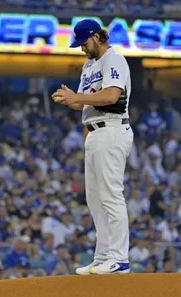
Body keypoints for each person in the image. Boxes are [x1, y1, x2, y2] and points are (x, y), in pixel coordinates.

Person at [52, 18, 133, 275]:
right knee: (95, 199)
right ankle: (103, 257)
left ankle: (119, 258)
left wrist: (78, 97)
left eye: (84, 42)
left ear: (97, 36)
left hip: (112, 128)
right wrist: (69, 99)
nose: (82, 48)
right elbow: (83, 102)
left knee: (110, 195)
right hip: (94, 132)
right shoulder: (89, 65)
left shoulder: (114, 59)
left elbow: (111, 96)